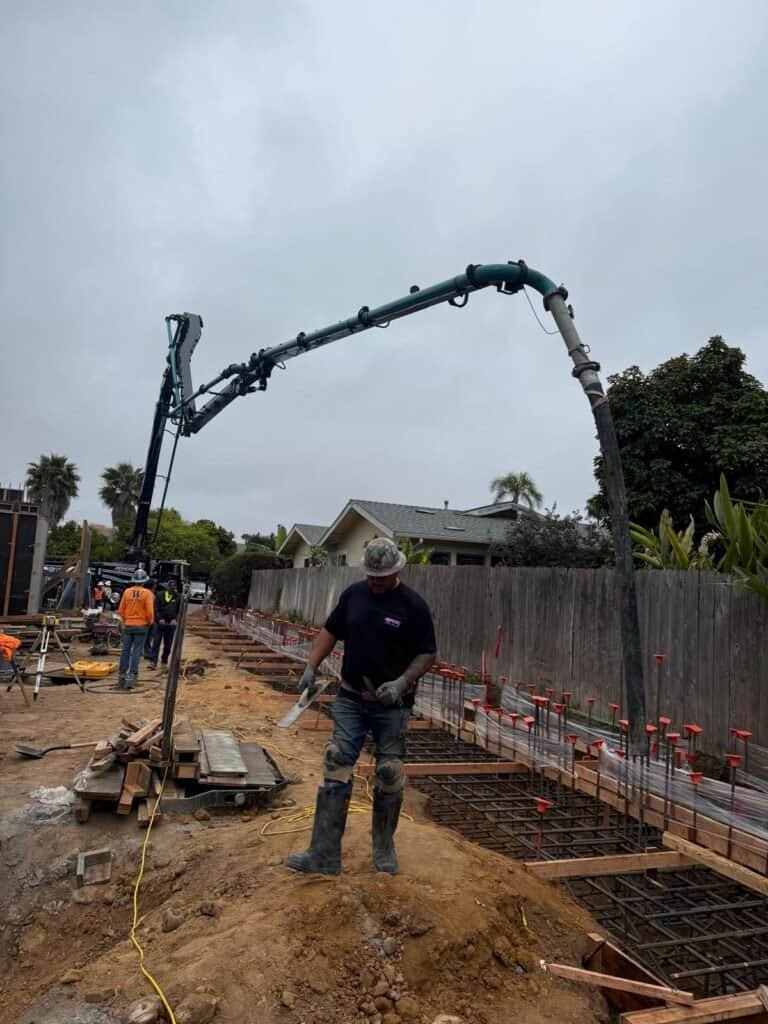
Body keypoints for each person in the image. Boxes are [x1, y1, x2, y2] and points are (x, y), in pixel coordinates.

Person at [285, 537, 437, 877]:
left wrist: (402, 683)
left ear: (396, 571)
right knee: (336, 761)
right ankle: (323, 856)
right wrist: (311, 665)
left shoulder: (413, 606)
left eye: (381, 577)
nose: (375, 582)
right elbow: (330, 631)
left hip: (392, 706)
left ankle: (384, 851)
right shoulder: (354, 595)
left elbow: (428, 653)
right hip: (351, 698)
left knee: (389, 773)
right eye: (371, 576)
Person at [116, 570, 155, 690]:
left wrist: (126, 620)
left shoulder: (127, 592)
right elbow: (149, 611)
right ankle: (132, 675)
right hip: (142, 625)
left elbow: (121, 610)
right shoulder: (147, 593)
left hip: (128, 625)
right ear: (144, 581)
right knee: (137, 651)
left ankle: (122, 675)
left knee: (125, 650)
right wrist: (149, 622)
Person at [149, 577, 180, 668]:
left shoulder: (178, 597)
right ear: (167, 587)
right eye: (170, 587)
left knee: (168, 644)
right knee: (156, 642)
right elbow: (156, 608)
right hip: (159, 624)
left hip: (171, 624)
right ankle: (153, 661)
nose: (172, 589)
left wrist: (175, 619)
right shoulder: (160, 595)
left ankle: (164, 661)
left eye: (174, 588)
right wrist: (159, 619)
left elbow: (179, 611)